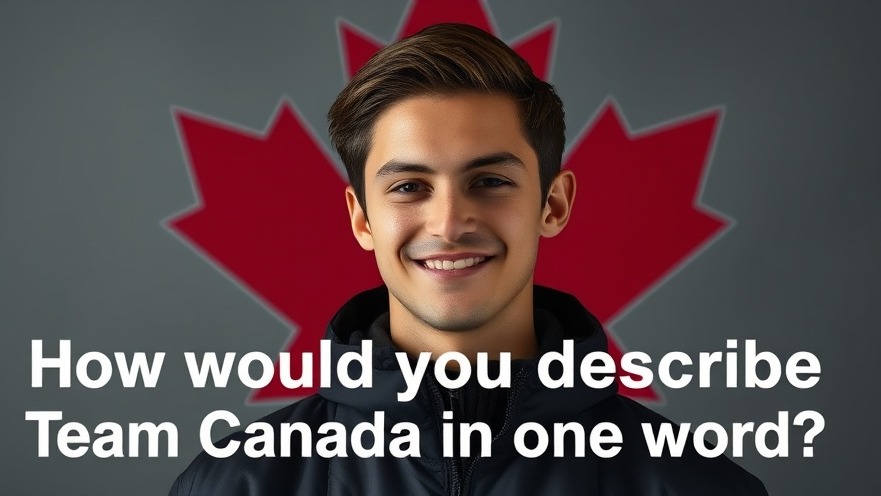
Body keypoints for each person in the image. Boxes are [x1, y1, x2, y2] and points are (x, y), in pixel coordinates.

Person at [170, 23, 767, 495]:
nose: (451, 223)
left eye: (490, 181)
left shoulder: (696, 484)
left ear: (553, 205)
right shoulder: (233, 484)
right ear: (361, 219)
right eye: (409, 187)